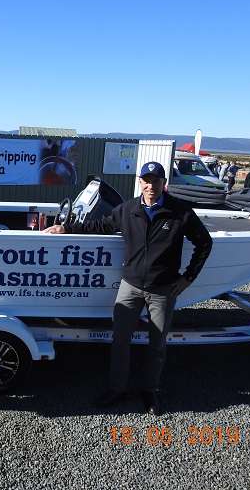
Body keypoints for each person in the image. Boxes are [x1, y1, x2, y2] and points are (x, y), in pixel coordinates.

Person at [43, 162, 212, 415]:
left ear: (163, 183)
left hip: (162, 290)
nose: (150, 185)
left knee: (157, 345)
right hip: (130, 286)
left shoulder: (180, 212)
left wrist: (188, 278)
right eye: (146, 180)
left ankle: (150, 391)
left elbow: (204, 244)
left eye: (155, 180)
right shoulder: (128, 209)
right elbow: (99, 226)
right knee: (120, 341)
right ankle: (117, 389)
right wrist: (66, 228)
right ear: (140, 182)